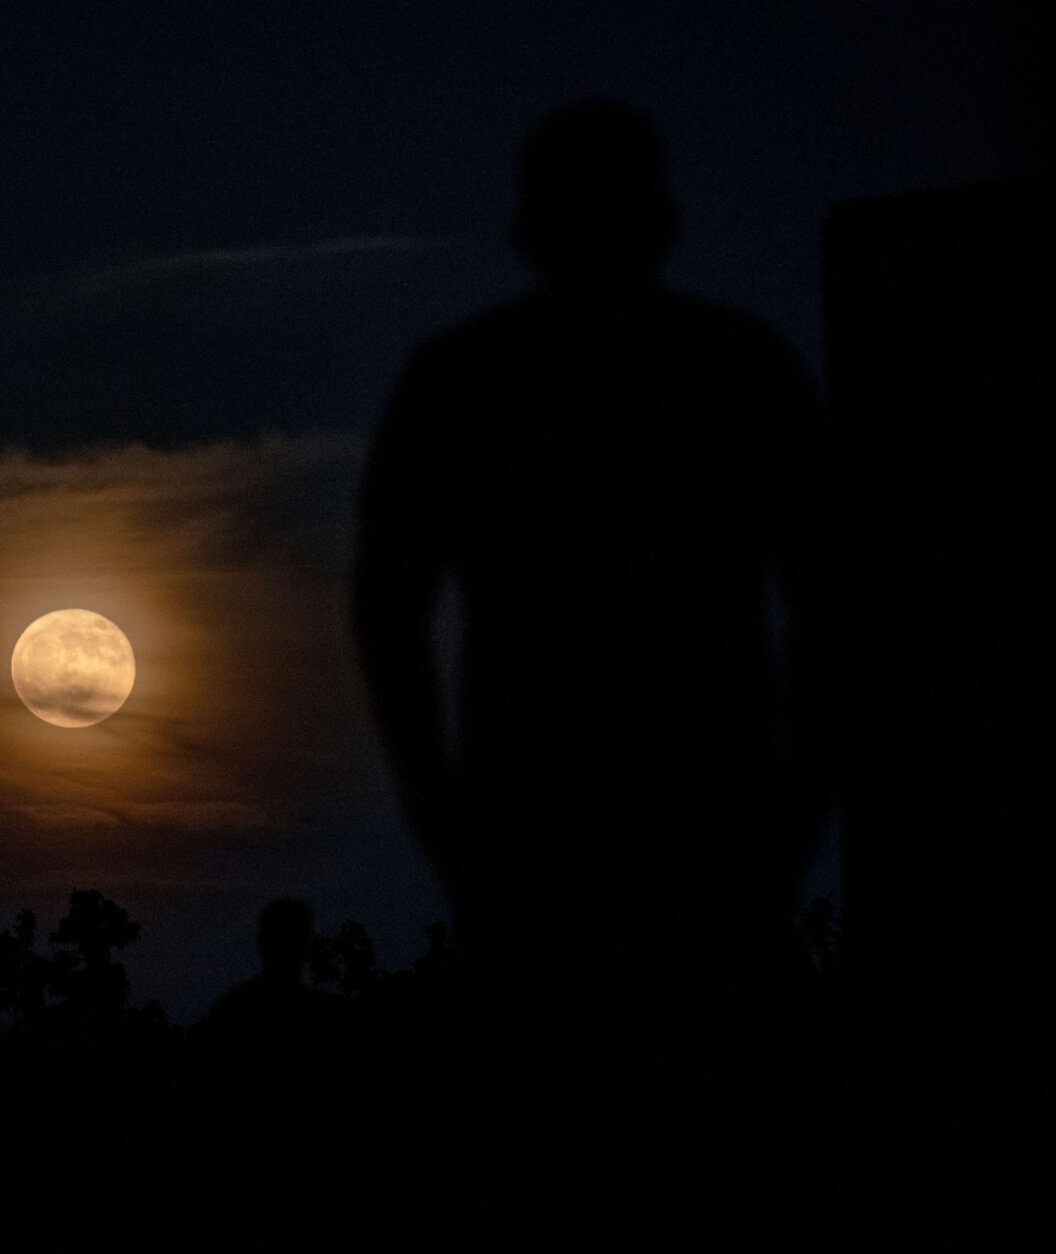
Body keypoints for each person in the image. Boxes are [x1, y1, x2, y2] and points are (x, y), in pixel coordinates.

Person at [354, 100, 831, 995]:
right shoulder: (740, 368)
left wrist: (446, 820)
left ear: (529, 226)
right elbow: (828, 601)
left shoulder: (464, 382)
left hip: (575, 840)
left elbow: (388, 611)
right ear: (663, 219)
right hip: (683, 836)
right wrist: (790, 818)